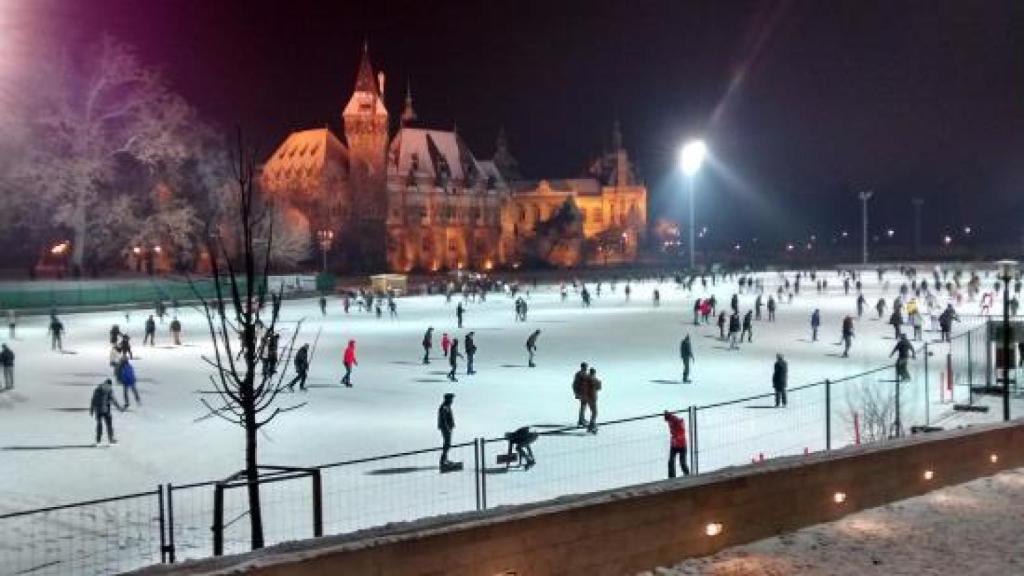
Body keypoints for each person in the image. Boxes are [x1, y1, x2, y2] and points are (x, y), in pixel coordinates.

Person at [89, 379, 123, 445]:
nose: (107, 387)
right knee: (102, 425)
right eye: (107, 385)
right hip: (101, 410)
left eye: (109, 386)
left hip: (103, 410)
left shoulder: (103, 390)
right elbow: (93, 400)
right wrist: (91, 409)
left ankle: (107, 439)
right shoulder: (100, 390)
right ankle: (101, 440)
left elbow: (113, 400)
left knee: (106, 425)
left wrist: (119, 408)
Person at [663, 411, 690, 478]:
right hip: (674, 445)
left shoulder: (677, 422)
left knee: (682, 462)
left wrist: (671, 417)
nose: (667, 421)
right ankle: (672, 477)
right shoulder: (671, 420)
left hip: (681, 445)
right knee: (671, 462)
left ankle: (687, 475)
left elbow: (679, 423)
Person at [437, 393, 456, 469]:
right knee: (447, 444)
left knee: (447, 444)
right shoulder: (444, 407)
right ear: (448, 399)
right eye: (451, 399)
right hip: (445, 429)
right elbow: (443, 420)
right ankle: (443, 460)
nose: (452, 401)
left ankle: (445, 459)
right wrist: (447, 428)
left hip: (447, 428)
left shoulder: (447, 406)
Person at [583, 367, 601, 433]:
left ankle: (591, 425)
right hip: (592, 398)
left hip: (587, 397)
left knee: (593, 412)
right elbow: (599, 387)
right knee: (595, 412)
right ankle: (591, 426)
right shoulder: (593, 379)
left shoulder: (586, 379)